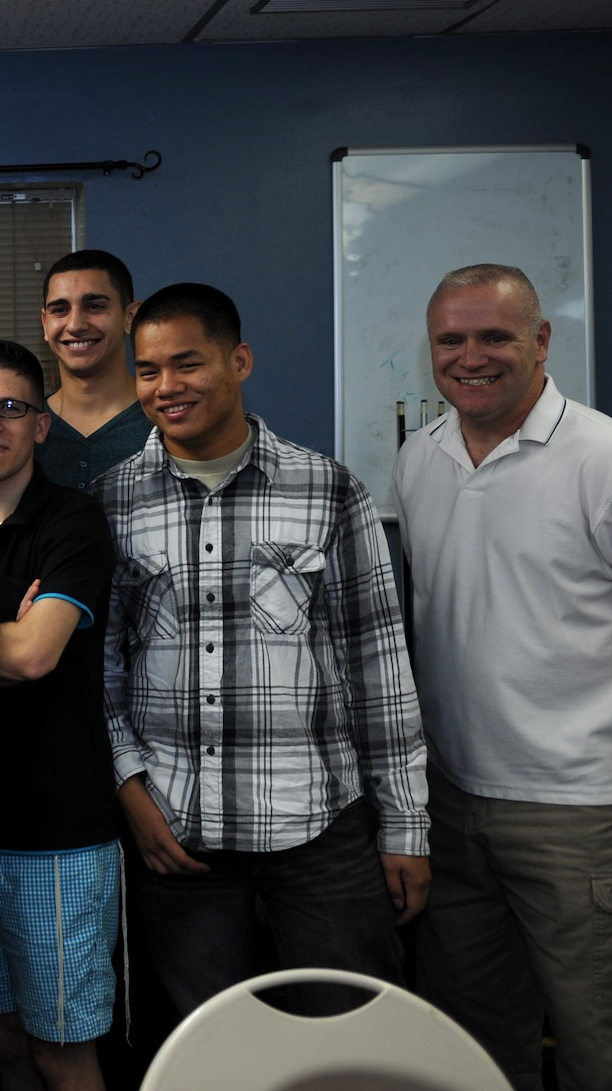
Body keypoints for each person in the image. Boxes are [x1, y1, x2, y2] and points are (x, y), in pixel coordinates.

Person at [392, 264, 612, 1091]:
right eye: (451, 339)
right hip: (450, 797)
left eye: (495, 336)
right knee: (472, 1043)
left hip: (581, 808)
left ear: (541, 342)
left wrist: (600, 685)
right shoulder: (418, 458)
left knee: (605, 1047)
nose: (471, 356)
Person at [95, 283, 428, 1022]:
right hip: (177, 835)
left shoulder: (329, 490)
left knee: (353, 1040)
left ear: (238, 360)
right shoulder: (111, 500)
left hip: (318, 829)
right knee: (204, 1050)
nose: (166, 386)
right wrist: (129, 789)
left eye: (188, 363)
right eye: (147, 369)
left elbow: (378, 668)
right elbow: (101, 673)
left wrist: (406, 826)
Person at [0, 340, 119, 1091]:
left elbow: (37, 655)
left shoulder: (73, 521)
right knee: (1, 1041)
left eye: (11, 406)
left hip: (57, 840)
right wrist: (0, 635)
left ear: (41, 424)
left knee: (61, 1053)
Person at [34, 250, 151, 490]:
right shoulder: (23, 430)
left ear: (130, 317)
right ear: (45, 324)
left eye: (94, 306)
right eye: (60, 309)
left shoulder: (165, 422)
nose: (76, 325)